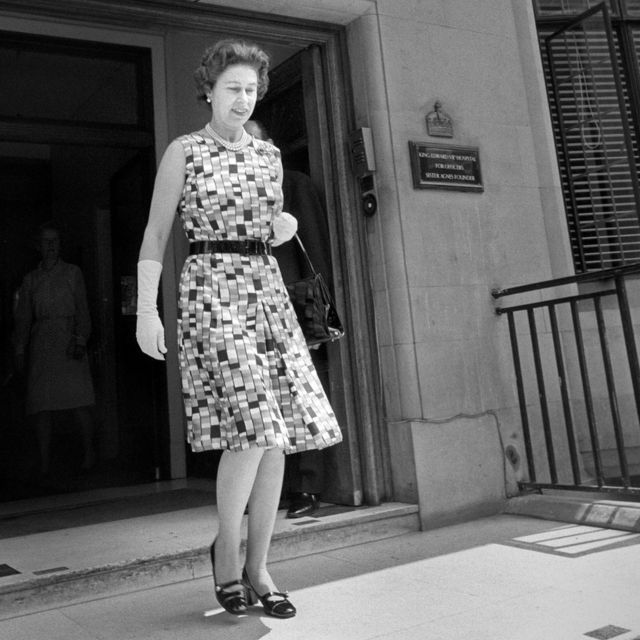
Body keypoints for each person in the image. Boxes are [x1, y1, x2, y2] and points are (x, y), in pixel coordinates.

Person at [135, 39, 342, 619]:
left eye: (251, 90)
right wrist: (147, 310)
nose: (243, 100)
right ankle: (227, 551)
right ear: (209, 89)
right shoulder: (185, 150)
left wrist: (284, 224)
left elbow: (270, 222)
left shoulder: (269, 155)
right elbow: (155, 234)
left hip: (264, 287)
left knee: (276, 435)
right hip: (210, 286)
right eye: (232, 89)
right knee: (251, 425)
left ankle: (258, 565)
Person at [244, 119, 330, 519]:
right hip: (247, 311)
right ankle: (270, 490)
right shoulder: (235, 194)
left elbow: (313, 250)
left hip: (293, 307)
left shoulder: (294, 184)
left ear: (271, 146)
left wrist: (316, 315)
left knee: (301, 398)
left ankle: (308, 488)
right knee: (260, 400)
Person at [13, 222, 96, 476]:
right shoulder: (31, 279)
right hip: (42, 344)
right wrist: (19, 349)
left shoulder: (72, 273)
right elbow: (24, 318)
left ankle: (90, 453)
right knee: (42, 404)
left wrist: (81, 339)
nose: (51, 246)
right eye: (46, 242)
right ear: (38, 246)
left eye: (55, 241)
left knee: (78, 399)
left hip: (68, 340)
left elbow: (82, 309)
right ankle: (44, 461)